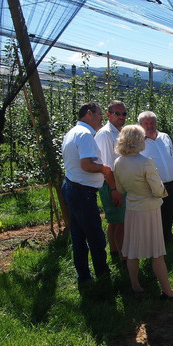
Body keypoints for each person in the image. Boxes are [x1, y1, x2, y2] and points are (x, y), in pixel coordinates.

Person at [113, 125, 173, 299]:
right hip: (149, 210)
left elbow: (120, 188)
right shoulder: (145, 161)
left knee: (133, 250)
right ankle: (167, 289)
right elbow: (157, 190)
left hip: (132, 208)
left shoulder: (118, 162)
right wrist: (162, 193)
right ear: (138, 141)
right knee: (157, 252)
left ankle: (135, 285)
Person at [61, 102, 111, 283]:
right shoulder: (85, 134)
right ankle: (102, 275)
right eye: (99, 114)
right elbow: (87, 165)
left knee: (78, 235)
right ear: (89, 113)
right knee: (95, 236)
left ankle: (83, 275)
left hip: (73, 187)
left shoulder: (72, 132)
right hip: (83, 192)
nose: (101, 119)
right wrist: (104, 169)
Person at [138, 111, 173, 245]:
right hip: (151, 186)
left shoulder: (165, 137)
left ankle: (167, 239)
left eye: (152, 122)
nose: (150, 126)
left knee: (168, 212)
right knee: (154, 215)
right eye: (146, 123)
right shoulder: (138, 142)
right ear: (140, 125)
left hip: (170, 183)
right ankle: (154, 243)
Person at [95, 100, 127, 259]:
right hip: (112, 184)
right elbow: (107, 166)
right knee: (120, 221)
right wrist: (114, 189)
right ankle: (123, 257)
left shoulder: (118, 131)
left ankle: (115, 252)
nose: (121, 117)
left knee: (115, 220)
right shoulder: (106, 134)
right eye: (117, 113)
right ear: (108, 115)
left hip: (117, 183)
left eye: (124, 114)